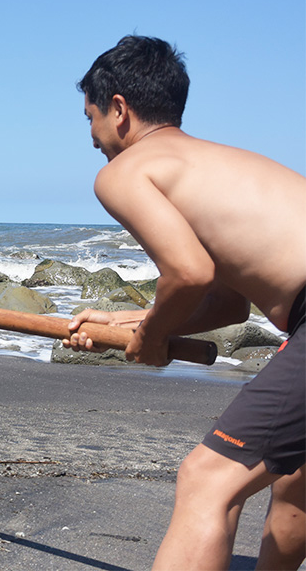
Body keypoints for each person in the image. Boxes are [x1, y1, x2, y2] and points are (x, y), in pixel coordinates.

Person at [65, 36, 306, 569]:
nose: (92, 138)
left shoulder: (124, 172)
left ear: (119, 110)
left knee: (208, 480)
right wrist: (126, 319)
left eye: (91, 118)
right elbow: (227, 304)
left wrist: (151, 340)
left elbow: (189, 274)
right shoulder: (219, 164)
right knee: (294, 484)